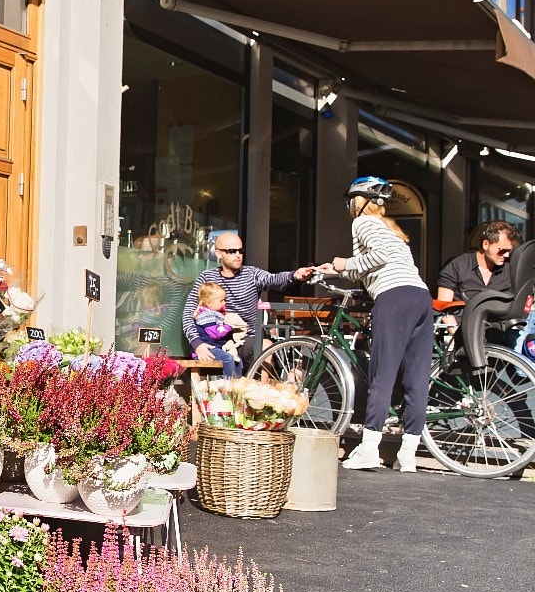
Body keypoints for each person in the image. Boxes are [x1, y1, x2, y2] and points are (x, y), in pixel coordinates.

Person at [319, 176, 432, 473]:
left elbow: (380, 257)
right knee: (416, 378)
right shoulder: (389, 228)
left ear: (360, 202)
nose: (349, 207)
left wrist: (344, 263)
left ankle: (369, 449)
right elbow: (378, 263)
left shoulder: (363, 223)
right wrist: (340, 271)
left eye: (350, 201)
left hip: (394, 298)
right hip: (420, 297)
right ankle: (408, 454)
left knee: (382, 373)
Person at [182, 230, 316, 365]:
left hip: (246, 339)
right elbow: (188, 313)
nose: (238, 255)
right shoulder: (207, 278)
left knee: (266, 346)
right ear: (218, 253)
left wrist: (294, 276)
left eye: (241, 251)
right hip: (215, 341)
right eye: (232, 251)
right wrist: (197, 344)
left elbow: (274, 279)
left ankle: (260, 386)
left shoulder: (251, 274)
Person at [436, 221, 520, 304]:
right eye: (502, 250)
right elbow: (444, 308)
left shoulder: (510, 271)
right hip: (461, 317)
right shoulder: (457, 266)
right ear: (486, 244)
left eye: (509, 251)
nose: (507, 255)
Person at [191, 283, 246, 377]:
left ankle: (238, 382)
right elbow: (215, 333)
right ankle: (229, 384)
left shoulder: (217, 314)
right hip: (208, 349)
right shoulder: (206, 315)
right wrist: (229, 326)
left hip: (218, 347)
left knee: (237, 359)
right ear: (209, 303)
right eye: (221, 300)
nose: (224, 303)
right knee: (227, 358)